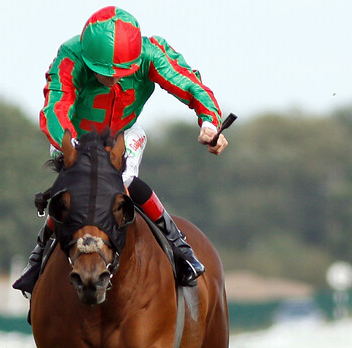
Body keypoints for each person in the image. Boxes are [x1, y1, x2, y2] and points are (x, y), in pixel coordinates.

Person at [13, 6, 227, 294]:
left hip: (123, 135)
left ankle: (178, 245)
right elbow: (55, 107)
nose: (113, 78)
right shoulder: (70, 56)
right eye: (104, 72)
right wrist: (73, 144)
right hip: (75, 135)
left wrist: (209, 122)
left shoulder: (151, 54)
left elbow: (189, 84)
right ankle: (39, 254)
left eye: (120, 72)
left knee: (120, 180)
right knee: (78, 188)